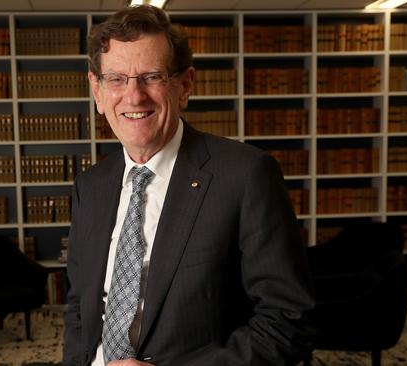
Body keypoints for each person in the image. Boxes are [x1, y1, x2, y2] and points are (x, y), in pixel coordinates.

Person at [63, 5, 315, 366]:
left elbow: (289, 319)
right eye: (117, 79)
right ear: (97, 91)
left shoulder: (245, 176)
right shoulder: (90, 186)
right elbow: (79, 304)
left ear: (185, 85)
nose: (134, 97)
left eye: (152, 77)